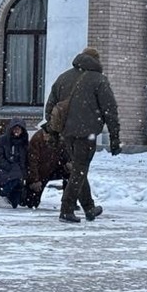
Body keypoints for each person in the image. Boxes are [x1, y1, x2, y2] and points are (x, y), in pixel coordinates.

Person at [44, 47, 121, 223]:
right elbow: (110, 110)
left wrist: (53, 131)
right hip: (86, 134)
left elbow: (50, 107)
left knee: (78, 169)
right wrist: (115, 138)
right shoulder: (99, 80)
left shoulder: (63, 77)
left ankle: (89, 207)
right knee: (79, 170)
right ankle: (66, 209)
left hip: (67, 134)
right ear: (96, 60)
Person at [25, 122, 69, 209]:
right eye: (46, 134)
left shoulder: (59, 140)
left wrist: (68, 163)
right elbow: (32, 162)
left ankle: (68, 201)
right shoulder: (37, 140)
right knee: (31, 203)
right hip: (40, 173)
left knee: (71, 174)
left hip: (53, 169)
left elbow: (64, 154)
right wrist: (35, 180)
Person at [0, 118, 30, 208]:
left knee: (14, 204)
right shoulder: (3, 140)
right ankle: (0, 194)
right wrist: (9, 167)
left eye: (19, 129)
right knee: (16, 177)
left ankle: (9, 197)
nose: (16, 131)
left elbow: (25, 159)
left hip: (17, 173)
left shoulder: (24, 143)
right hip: (3, 170)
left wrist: (25, 172)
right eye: (14, 128)